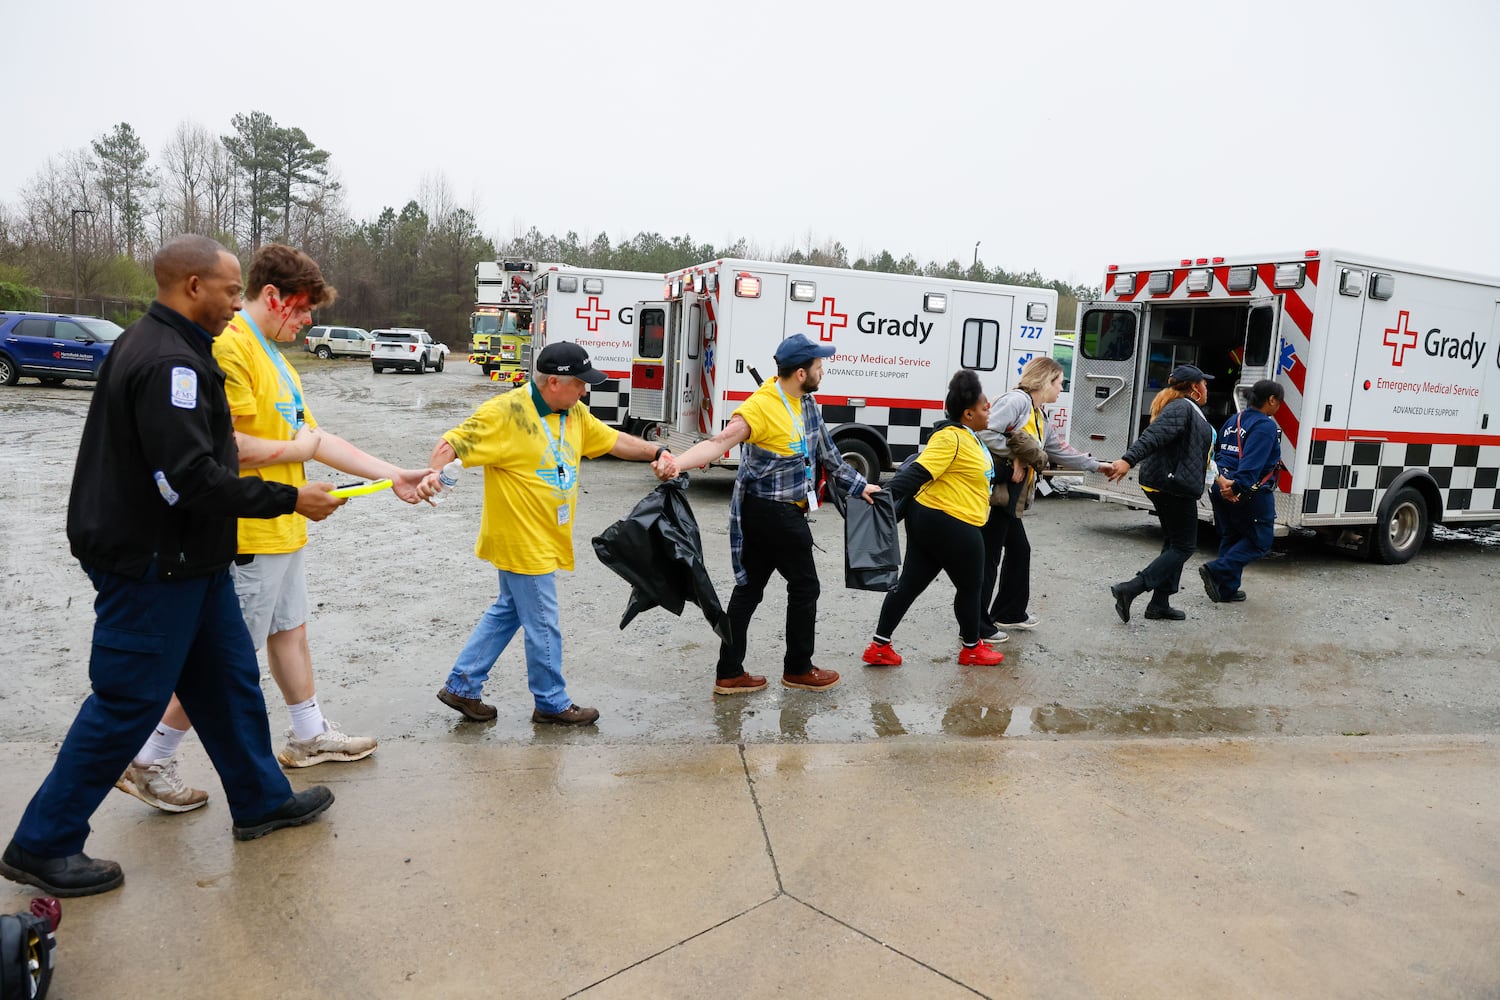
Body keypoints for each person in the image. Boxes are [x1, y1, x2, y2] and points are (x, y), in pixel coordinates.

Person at [0, 236, 343, 898]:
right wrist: (289, 498)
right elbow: (189, 478)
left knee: (228, 682)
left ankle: (261, 801)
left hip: (193, 557)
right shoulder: (167, 364)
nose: (235, 302)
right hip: (152, 561)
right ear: (191, 286)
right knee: (127, 700)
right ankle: (43, 842)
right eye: (227, 290)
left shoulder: (178, 349)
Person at [114, 244, 435, 814]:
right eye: (305, 308)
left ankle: (308, 735)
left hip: (282, 531)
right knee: (223, 660)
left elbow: (318, 437)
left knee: (290, 631)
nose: (309, 321)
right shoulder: (233, 349)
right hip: (248, 535)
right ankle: (149, 757)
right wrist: (298, 449)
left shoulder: (276, 357)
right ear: (273, 297)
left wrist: (395, 476)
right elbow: (223, 450)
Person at [432, 342, 673, 726]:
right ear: (554, 382)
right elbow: (451, 444)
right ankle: (551, 701)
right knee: (544, 622)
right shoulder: (505, 412)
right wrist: (432, 477)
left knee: (509, 611)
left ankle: (463, 684)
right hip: (521, 538)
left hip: (545, 535)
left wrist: (656, 450)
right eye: (580, 383)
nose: (585, 391)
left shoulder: (573, 413)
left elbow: (614, 441)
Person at [661, 333, 880, 696]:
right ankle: (797, 668)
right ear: (799, 372)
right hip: (770, 513)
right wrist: (676, 463)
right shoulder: (760, 407)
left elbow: (830, 457)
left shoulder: (806, 404)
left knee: (749, 589)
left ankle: (729, 672)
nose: (823, 371)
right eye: (819, 366)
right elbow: (719, 443)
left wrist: (861, 486)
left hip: (780, 511)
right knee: (805, 586)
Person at [860, 370, 1005, 668]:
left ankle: (879, 646)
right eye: (984, 407)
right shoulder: (951, 437)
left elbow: (971, 475)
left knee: (910, 584)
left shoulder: (969, 437)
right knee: (970, 587)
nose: (989, 409)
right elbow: (918, 471)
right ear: (967, 414)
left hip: (934, 520)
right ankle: (971, 648)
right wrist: (882, 493)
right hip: (951, 522)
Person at [978, 356, 1114, 637]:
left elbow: (1057, 449)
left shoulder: (1038, 414)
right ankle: (977, 625)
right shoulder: (1016, 402)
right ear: (1045, 381)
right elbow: (983, 432)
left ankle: (1008, 612)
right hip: (996, 495)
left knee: (1018, 551)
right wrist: (1016, 455)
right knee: (989, 558)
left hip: (1010, 498)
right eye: (1059, 383)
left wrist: (1096, 465)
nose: (1061, 390)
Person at [1104, 364, 1217, 623]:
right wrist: (1127, 460)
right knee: (1184, 546)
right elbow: (1152, 437)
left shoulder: (1186, 408)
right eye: (1204, 383)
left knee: (1173, 543)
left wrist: (1218, 478)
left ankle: (1159, 603)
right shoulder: (1181, 407)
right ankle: (1130, 589)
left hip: (1170, 484)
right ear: (1194, 388)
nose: (1207, 387)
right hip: (1173, 487)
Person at [1200, 379, 1285, 605]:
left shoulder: (1233, 420)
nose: (1279, 407)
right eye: (1279, 402)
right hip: (1247, 493)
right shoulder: (1265, 426)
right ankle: (1216, 569)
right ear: (1271, 400)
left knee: (1233, 535)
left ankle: (1226, 590)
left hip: (1220, 486)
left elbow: (1219, 453)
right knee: (1260, 541)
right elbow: (1251, 466)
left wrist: (1223, 485)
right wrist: (1235, 489)